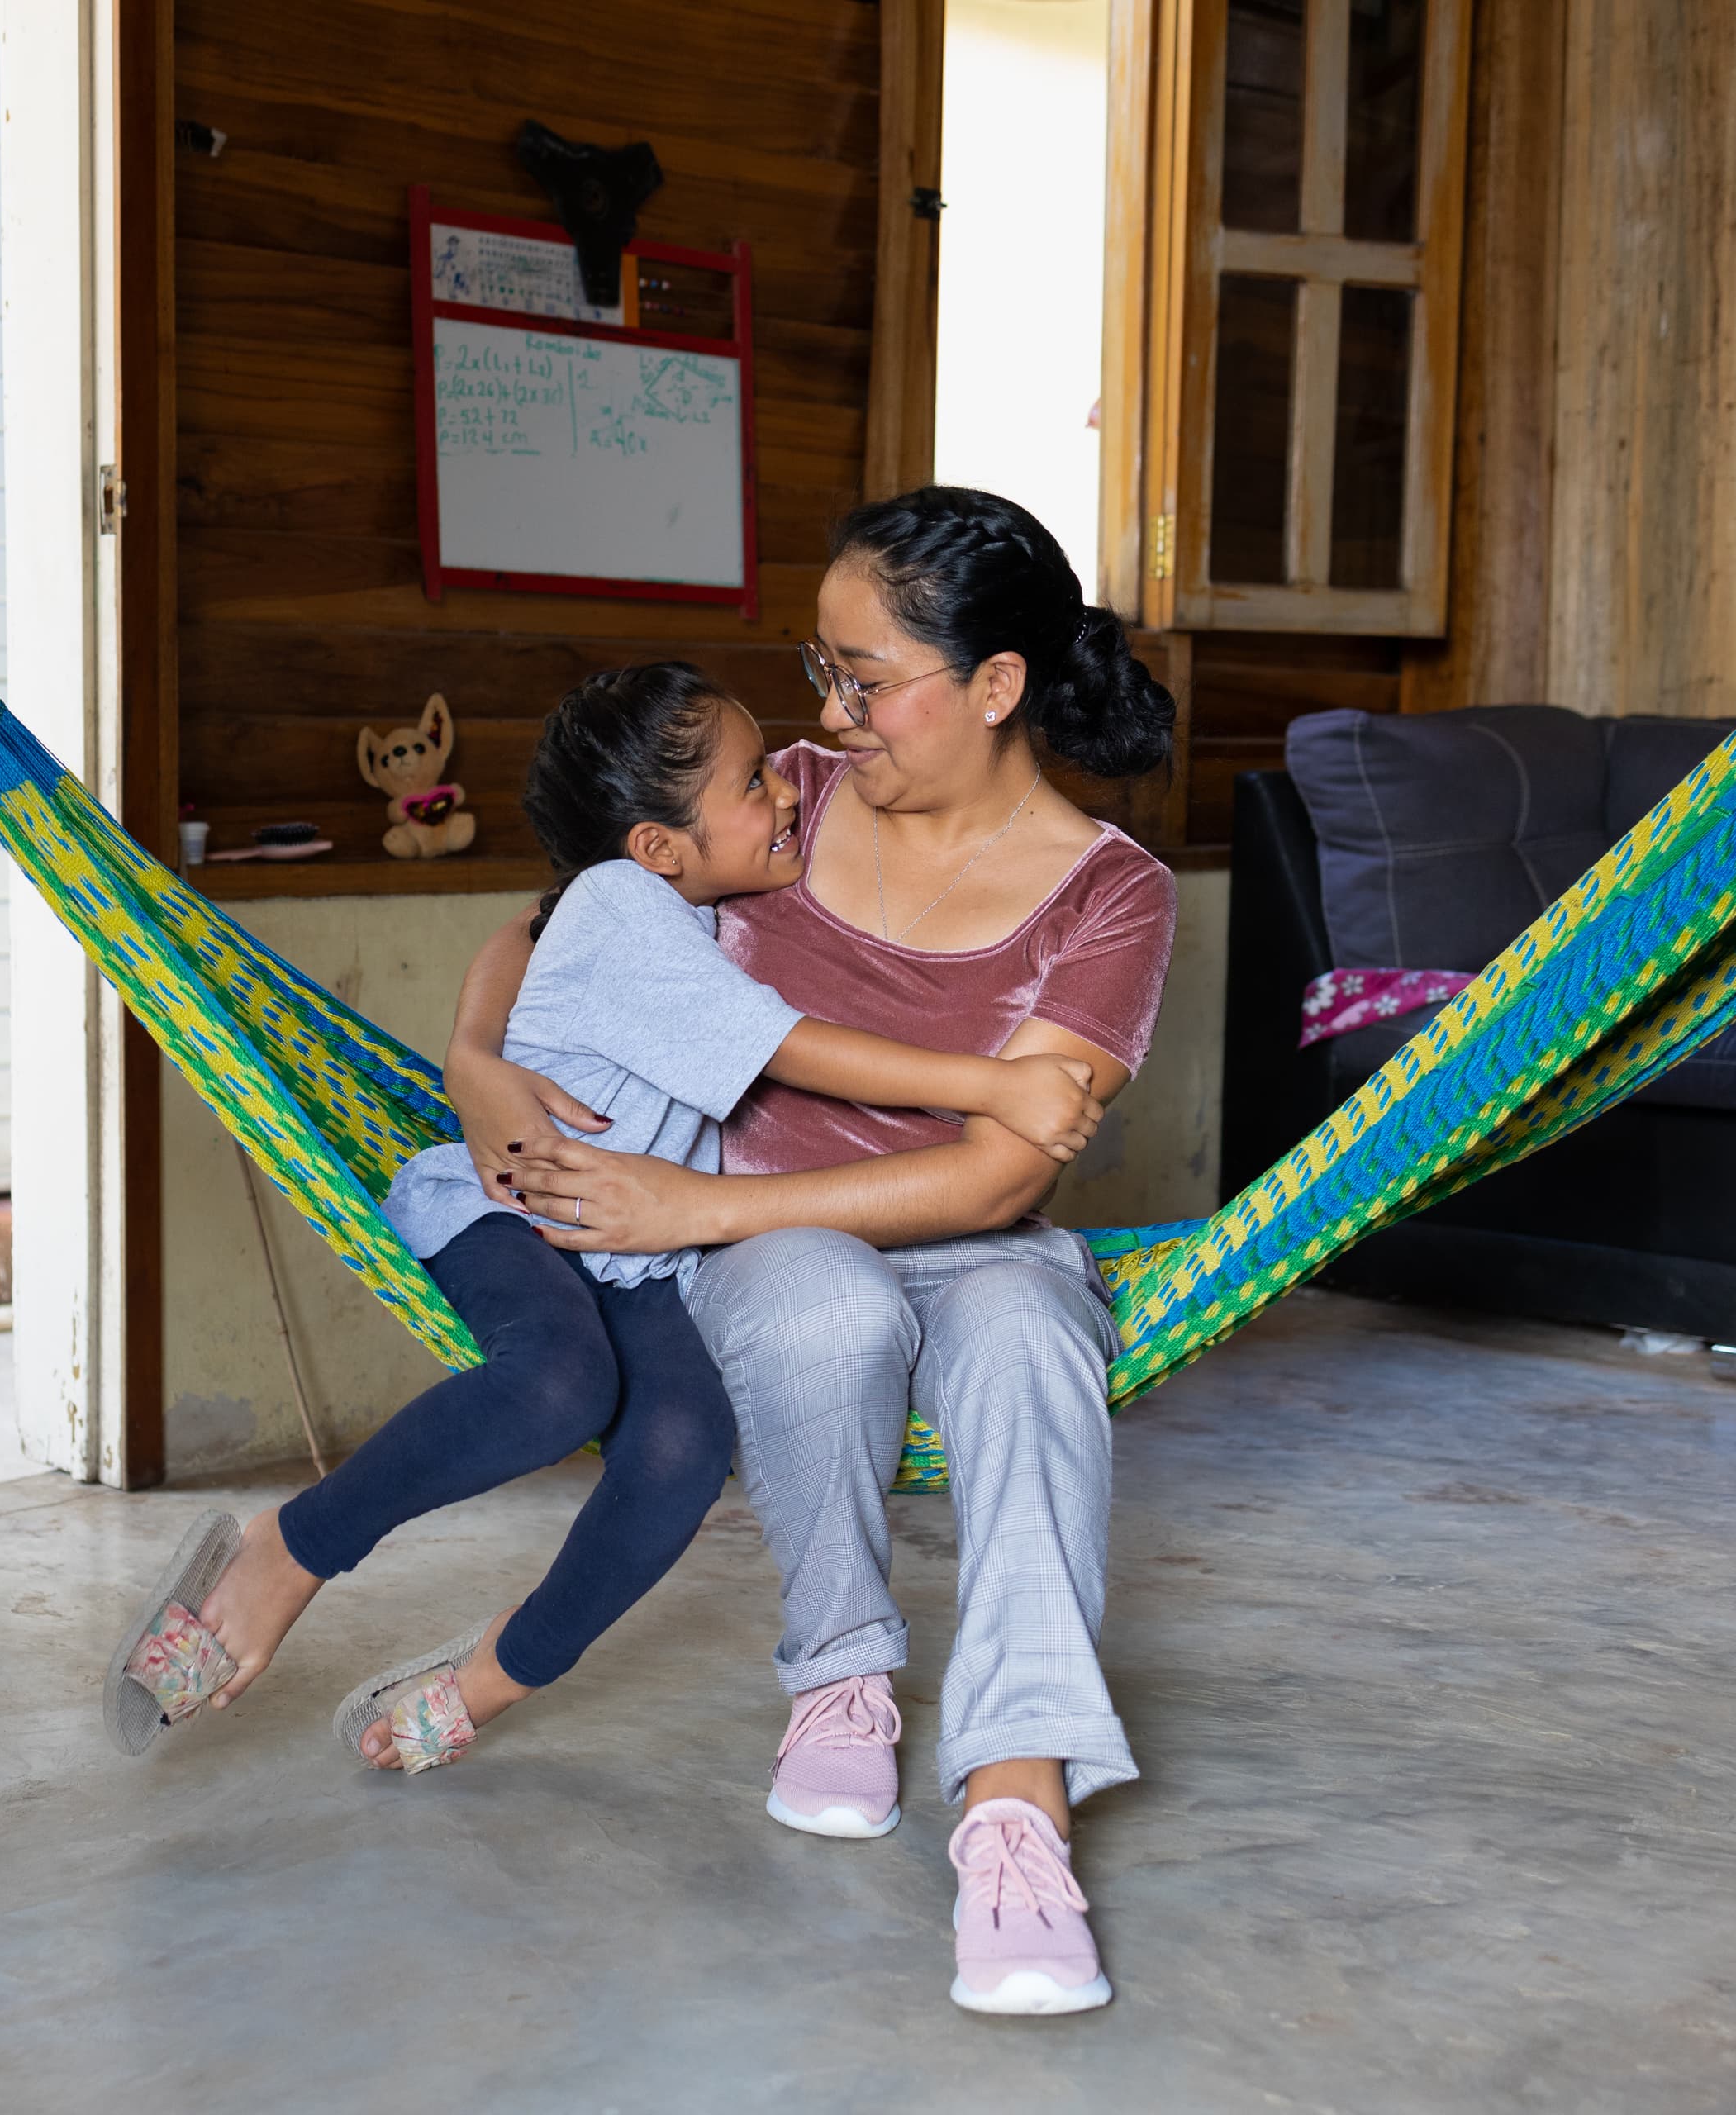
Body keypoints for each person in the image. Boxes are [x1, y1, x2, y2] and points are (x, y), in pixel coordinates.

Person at [104, 659, 1112, 1779]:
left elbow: (523, 936)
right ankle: (288, 1552)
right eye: (751, 782)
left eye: (774, 770)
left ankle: (498, 1668)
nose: (785, 790)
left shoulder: (712, 896)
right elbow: (780, 1045)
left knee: (684, 1448)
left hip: (643, 1250)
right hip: (521, 1207)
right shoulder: (624, 905)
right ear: (656, 846)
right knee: (555, 1385)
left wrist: (477, 1047)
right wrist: (993, 1086)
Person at [445, 489, 1179, 2016]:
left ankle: (1015, 1800)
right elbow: (556, 922)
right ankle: (840, 1670)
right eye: (820, 669)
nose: (829, 714)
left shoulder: (1112, 895)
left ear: (994, 687)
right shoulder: (782, 790)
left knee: (1039, 1340)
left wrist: (685, 1208)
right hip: (774, 1240)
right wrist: (482, 1064)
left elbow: (991, 1179)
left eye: (866, 679)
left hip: (948, 1237)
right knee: (822, 1308)